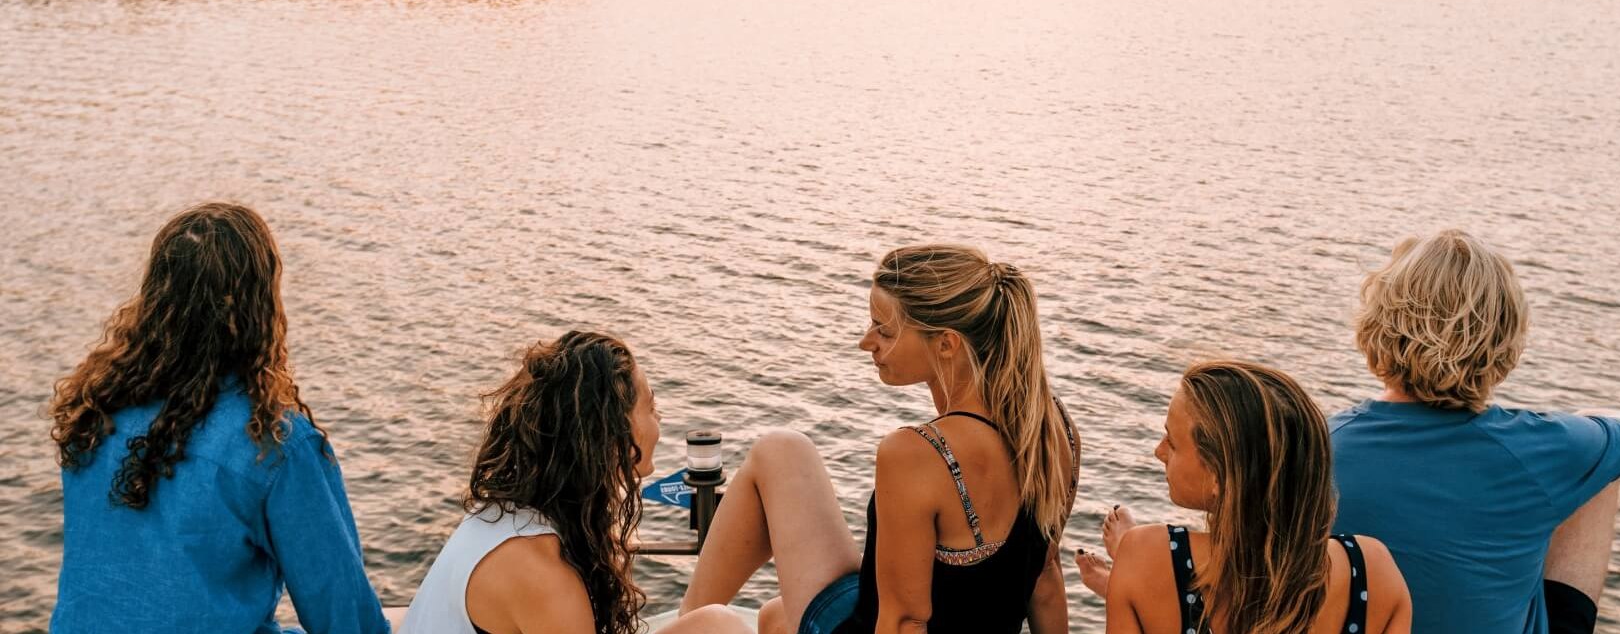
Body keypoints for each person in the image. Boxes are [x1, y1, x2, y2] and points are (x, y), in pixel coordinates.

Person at [677, 244, 1079, 634]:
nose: (866, 342)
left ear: (946, 344)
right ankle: (690, 623)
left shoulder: (919, 453)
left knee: (777, 454)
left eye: (884, 330)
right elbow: (1045, 580)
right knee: (775, 609)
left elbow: (904, 623)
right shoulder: (1052, 426)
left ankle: (687, 625)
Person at [49, 202, 389, 634]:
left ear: (155, 295)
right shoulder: (273, 445)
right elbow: (345, 619)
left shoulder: (94, 411)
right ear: (261, 305)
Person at [1329, 230, 1620, 634]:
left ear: (1374, 328)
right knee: (1599, 467)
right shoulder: (1544, 446)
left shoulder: (1320, 442)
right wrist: (1585, 418)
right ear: (1506, 341)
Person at [399, 331, 748, 634]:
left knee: (722, 623)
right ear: (610, 434)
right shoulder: (542, 572)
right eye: (650, 407)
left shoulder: (500, 516)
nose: (660, 419)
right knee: (720, 627)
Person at [1076, 361, 1411, 634]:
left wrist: (1134, 567)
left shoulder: (1144, 552)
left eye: (1172, 442)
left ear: (1220, 477)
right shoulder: (1373, 570)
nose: (1159, 452)